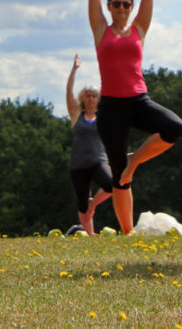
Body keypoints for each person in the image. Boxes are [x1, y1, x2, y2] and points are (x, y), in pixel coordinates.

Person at [87, 0, 182, 234]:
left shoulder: (139, 28)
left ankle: (136, 159)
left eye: (126, 3)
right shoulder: (100, 29)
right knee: (119, 176)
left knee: (174, 127)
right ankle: (128, 233)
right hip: (112, 108)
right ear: (109, 6)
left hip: (138, 101)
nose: (121, 8)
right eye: (116, 3)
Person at [66, 54, 113, 235]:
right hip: (78, 164)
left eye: (94, 95)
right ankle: (89, 234)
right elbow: (69, 92)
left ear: (98, 98)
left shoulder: (103, 116)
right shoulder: (77, 114)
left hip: (98, 161)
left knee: (111, 184)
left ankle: (94, 203)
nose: (91, 98)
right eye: (88, 95)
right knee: (82, 203)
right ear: (83, 98)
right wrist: (74, 70)